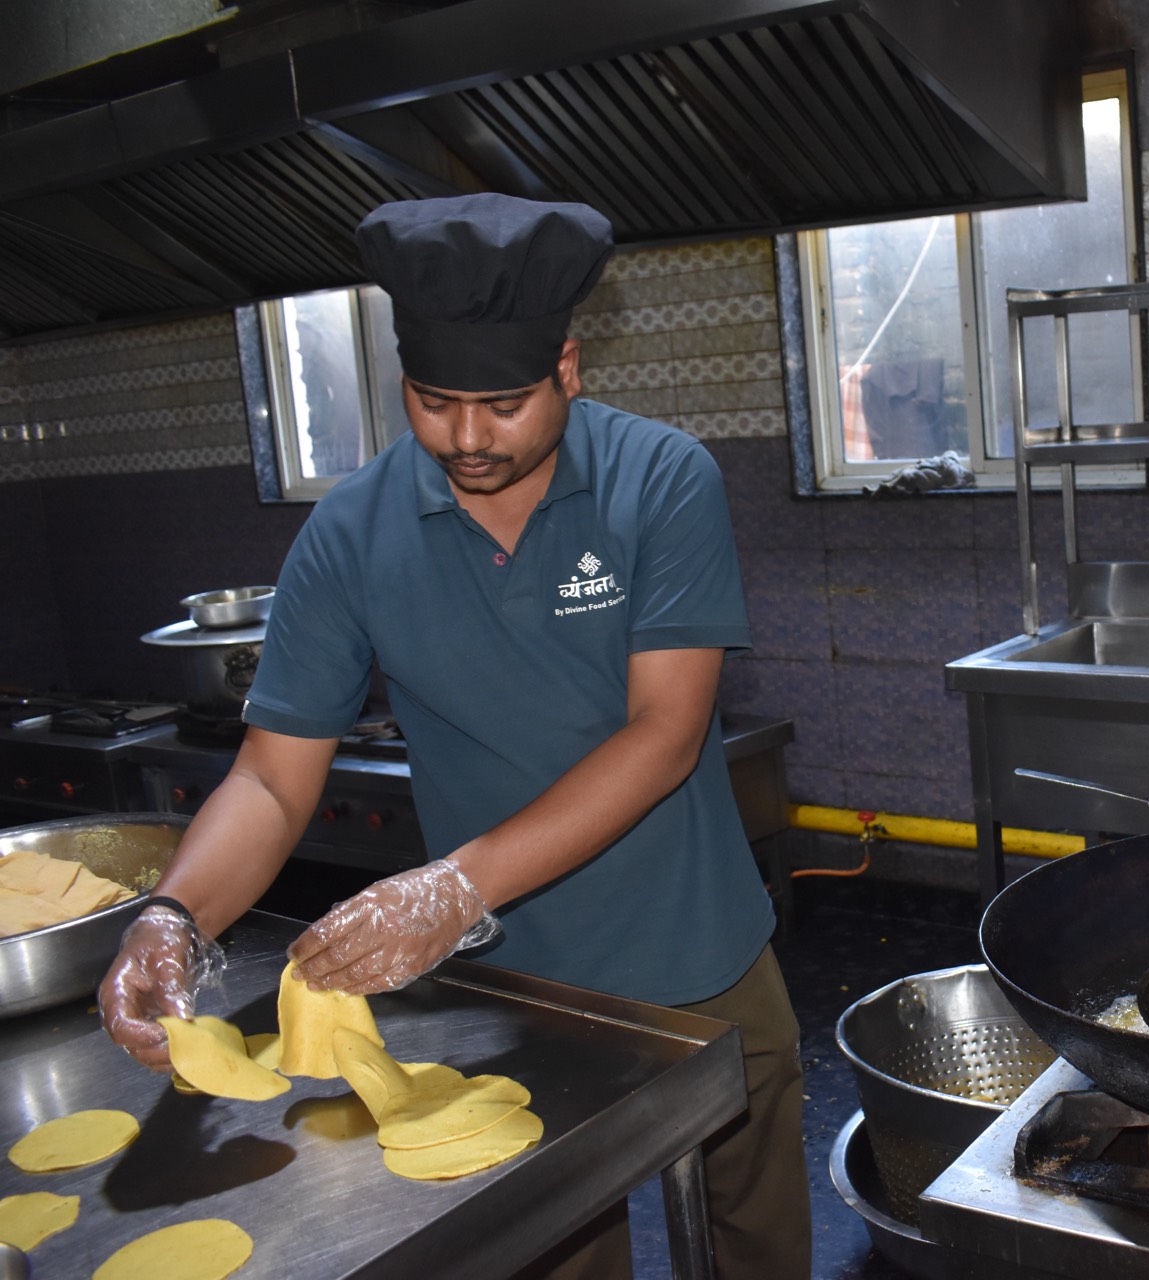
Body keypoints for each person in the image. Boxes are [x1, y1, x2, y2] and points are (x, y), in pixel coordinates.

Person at [97, 193, 809, 1280]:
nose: (468, 439)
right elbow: (274, 779)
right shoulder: (348, 532)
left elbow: (665, 733)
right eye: (434, 403)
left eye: (503, 404)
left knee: (754, 1234)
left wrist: (451, 888)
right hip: (509, 989)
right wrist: (175, 913)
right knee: (559, 1238)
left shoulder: (661, 480)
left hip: (694, 947)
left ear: (568, 368)